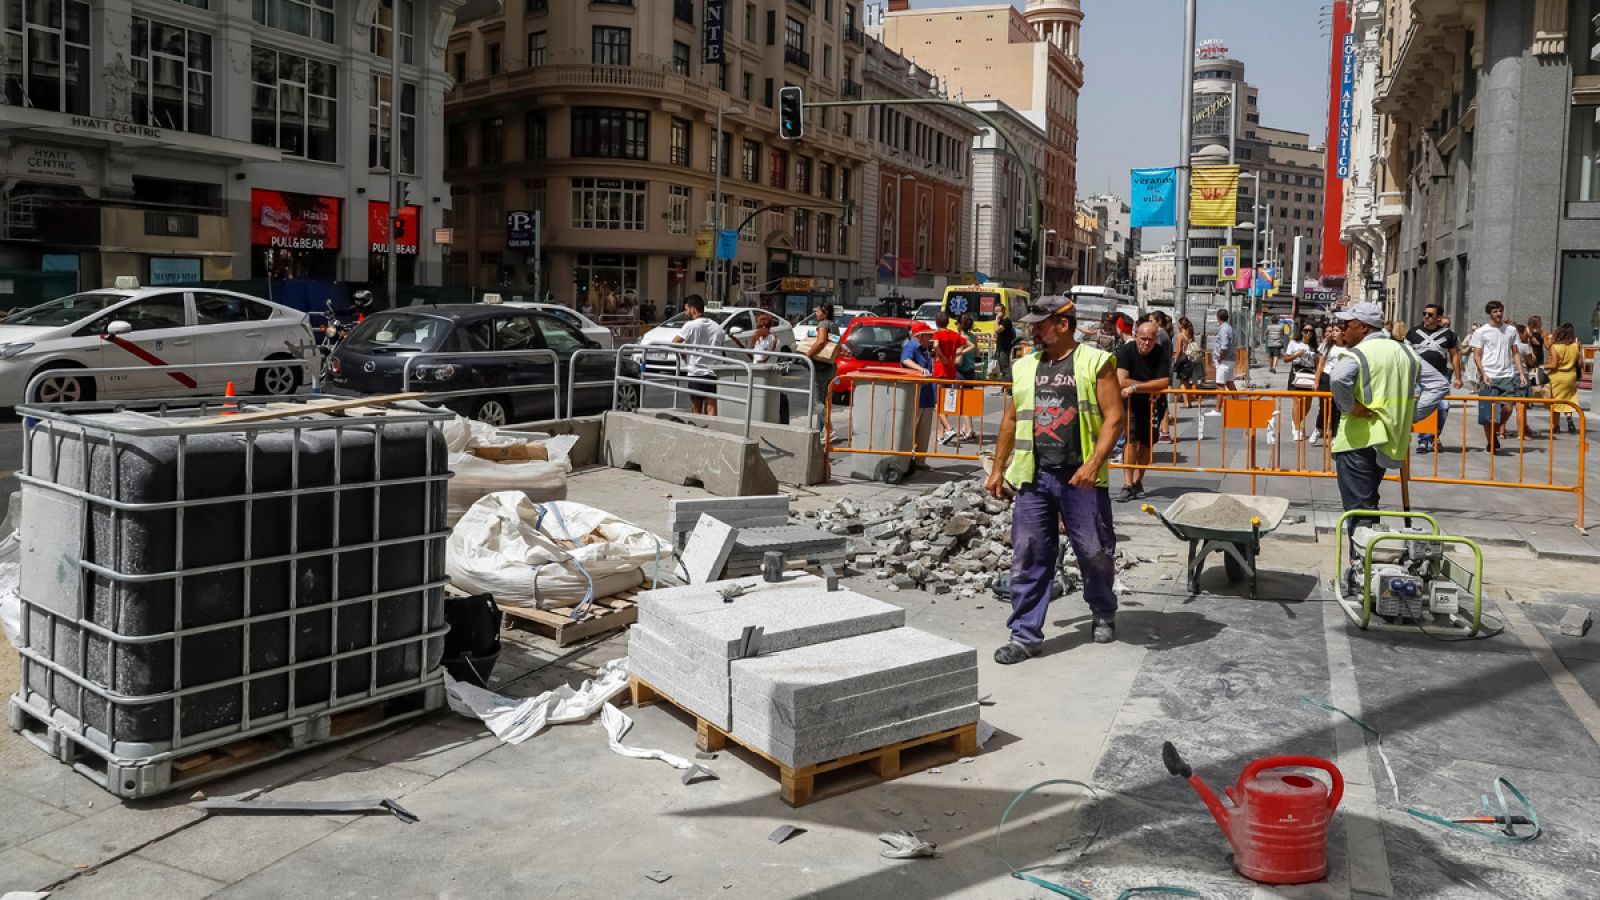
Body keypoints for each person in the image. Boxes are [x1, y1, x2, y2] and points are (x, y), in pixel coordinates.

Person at [985, 297, 1125, 659]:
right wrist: (999, 467)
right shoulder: (1024, 366)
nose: (1032, 329)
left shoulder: (1096, 362)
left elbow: (1114, 418)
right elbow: (1012, 420)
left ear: (1062, 325)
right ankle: (1024, 635)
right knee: (1030, 553)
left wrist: (1093, 465)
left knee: (1094, 551)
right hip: (1035, 475)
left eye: (1040, 323)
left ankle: (1102, 610)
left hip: (1080, 478)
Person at [1327, 302, 1446, 568]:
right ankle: (1370, 564)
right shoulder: (1406, 352)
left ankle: (1363, 565)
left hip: (1358, 440)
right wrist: (1410, 415)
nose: (1342, 329)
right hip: (1390, 440)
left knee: (1360, 508)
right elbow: (1439, 384)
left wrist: (1351, 407)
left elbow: (1338, 378)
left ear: (1364, 327)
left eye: (1348, 325)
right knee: (1368, 500)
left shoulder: (1360, 353)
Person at [1115, 321, 1172, 502]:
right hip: (1131, 403)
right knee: (1131, 441)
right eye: (1142, 339)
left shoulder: (1161, 353)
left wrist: (1135, 387)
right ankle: (1127, 484)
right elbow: (1121, 380)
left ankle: (1138, 481)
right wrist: (1146, 387)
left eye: (1150, 339)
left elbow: (1163, 382)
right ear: (1136, 336)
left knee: (1147, 443)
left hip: (1153, 403)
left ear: (1156, 339)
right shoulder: (1126, 351)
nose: (1146, 343)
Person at [1467, 301, 1528, 453]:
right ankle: (1491, 442)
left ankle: (1494, 431)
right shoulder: (1481, 332)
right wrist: (1483, 374)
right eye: (1495, 311)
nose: (1498, 314)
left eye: (1500, 310)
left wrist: (1520, 373)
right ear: (1489, 313)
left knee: (1507, 408)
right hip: (1488, 374)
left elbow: (1515, 352)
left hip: (1507, 374)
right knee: (1488, 411)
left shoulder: (1511, 330)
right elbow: (1477, 355)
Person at [1406, 304, 1463, 454]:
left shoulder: (1448, 334)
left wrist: (1458, 377)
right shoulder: (1413, 333)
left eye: (1430, 315)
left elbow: (1455, 355)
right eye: (1424, 313)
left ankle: (1434, 435)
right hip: (1418, 378)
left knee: (1443, 408)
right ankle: (1424, 439)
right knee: (1424, 408)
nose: (1426, 316)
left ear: (1439, 318)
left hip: (1440, 377)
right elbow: (1405, 354)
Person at [673, 297, 731, 416]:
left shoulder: (690, 326)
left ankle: (697, 431)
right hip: (713, 373)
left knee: (696, 408)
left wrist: (683, 353)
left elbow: (674, 342)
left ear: (693, 309)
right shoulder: (717, 327)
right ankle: (712, 430)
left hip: (696, 372)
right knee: (711, 407)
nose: (685, 313)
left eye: (686, 309)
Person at [931, 311, 973, 444]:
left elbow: (936, 345)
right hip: (951, 370)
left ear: (937, 323)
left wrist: (941, 355)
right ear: (948, 322)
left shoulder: (938, 334)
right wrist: (959, 352)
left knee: (937, 402)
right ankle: (942, 433)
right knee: (945, 402)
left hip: (940, 369)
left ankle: (946, 430)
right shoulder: (954, 335)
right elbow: (971, 345)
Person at [804, 302, 838, 431]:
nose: (816, 314)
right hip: (831, 366)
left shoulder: (823, 324)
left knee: (817, 402)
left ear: (825, 313)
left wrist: (808, 354)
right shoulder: (834, 325)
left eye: (818, 311)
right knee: (824, 402)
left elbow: (821, 341)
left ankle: (829, 430)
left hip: (821, 367)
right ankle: (821, 432)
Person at [1284, 323, 1320, 442]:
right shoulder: (1294, 343)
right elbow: (1286, 359)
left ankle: (1295, 422)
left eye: (1311, 331)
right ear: (1301, 332)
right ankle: (1297, 429)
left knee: (1308, 404)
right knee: (1297, 403)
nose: (1308, 333)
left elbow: (1319, 362)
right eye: (1306, 331)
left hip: (1310, 375)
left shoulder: (1314, 346)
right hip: (1297, 374)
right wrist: (1297, 355)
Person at [1547, 323, 1583, 435]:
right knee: (1569, 399)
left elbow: (1553, 365)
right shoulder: (1575, 346)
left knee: (1555, 401)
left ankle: (1555, 425)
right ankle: (1569, 418)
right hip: (1571, 376)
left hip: (1557, 376)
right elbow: (1580, 364)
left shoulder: (1555, 347)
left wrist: (1544, 366)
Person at [954, 313, 981, 443]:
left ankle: (968, 429)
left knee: (962, 402)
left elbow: (959, 359)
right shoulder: (973, 337)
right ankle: (967, 428)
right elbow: (977, 353)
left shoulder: (961, 337)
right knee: (968, 401)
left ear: (960, 324)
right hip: (971, 370)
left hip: (961, 371)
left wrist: (958, 353)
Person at [1174, 317, 1200, 406]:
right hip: (1190, 360)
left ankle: (1186, 403)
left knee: (1182, 382)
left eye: (1178, 323)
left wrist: (1175, 360)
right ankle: (1189, 401)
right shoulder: (1190, 335)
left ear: (1181, 325)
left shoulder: (1180, 336)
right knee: (1187, 382)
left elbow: (1179, 350)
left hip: (1183, 361)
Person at [1212, 308, 1238, 399]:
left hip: (1224, 361)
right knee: (1229, 383)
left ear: (1218, 318)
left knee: (1220, 385)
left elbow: (1224, 346)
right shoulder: (1230, 328)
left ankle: (1217, 410)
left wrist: (1220, 358)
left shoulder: (1223, 329)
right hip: (1230, 360)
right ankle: (1237, 403)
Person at [995, 315, 1019, 385]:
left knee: (1005, 369)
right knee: (1002, 369)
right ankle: (1004, 387)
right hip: (1000, 348)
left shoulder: (1006, 321)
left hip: (1005, 348)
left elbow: (997, 330)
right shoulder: (1000, 322)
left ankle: (1007, 387)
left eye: (998, 311)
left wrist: (996, 319)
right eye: (995, 311)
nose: (996, 314)